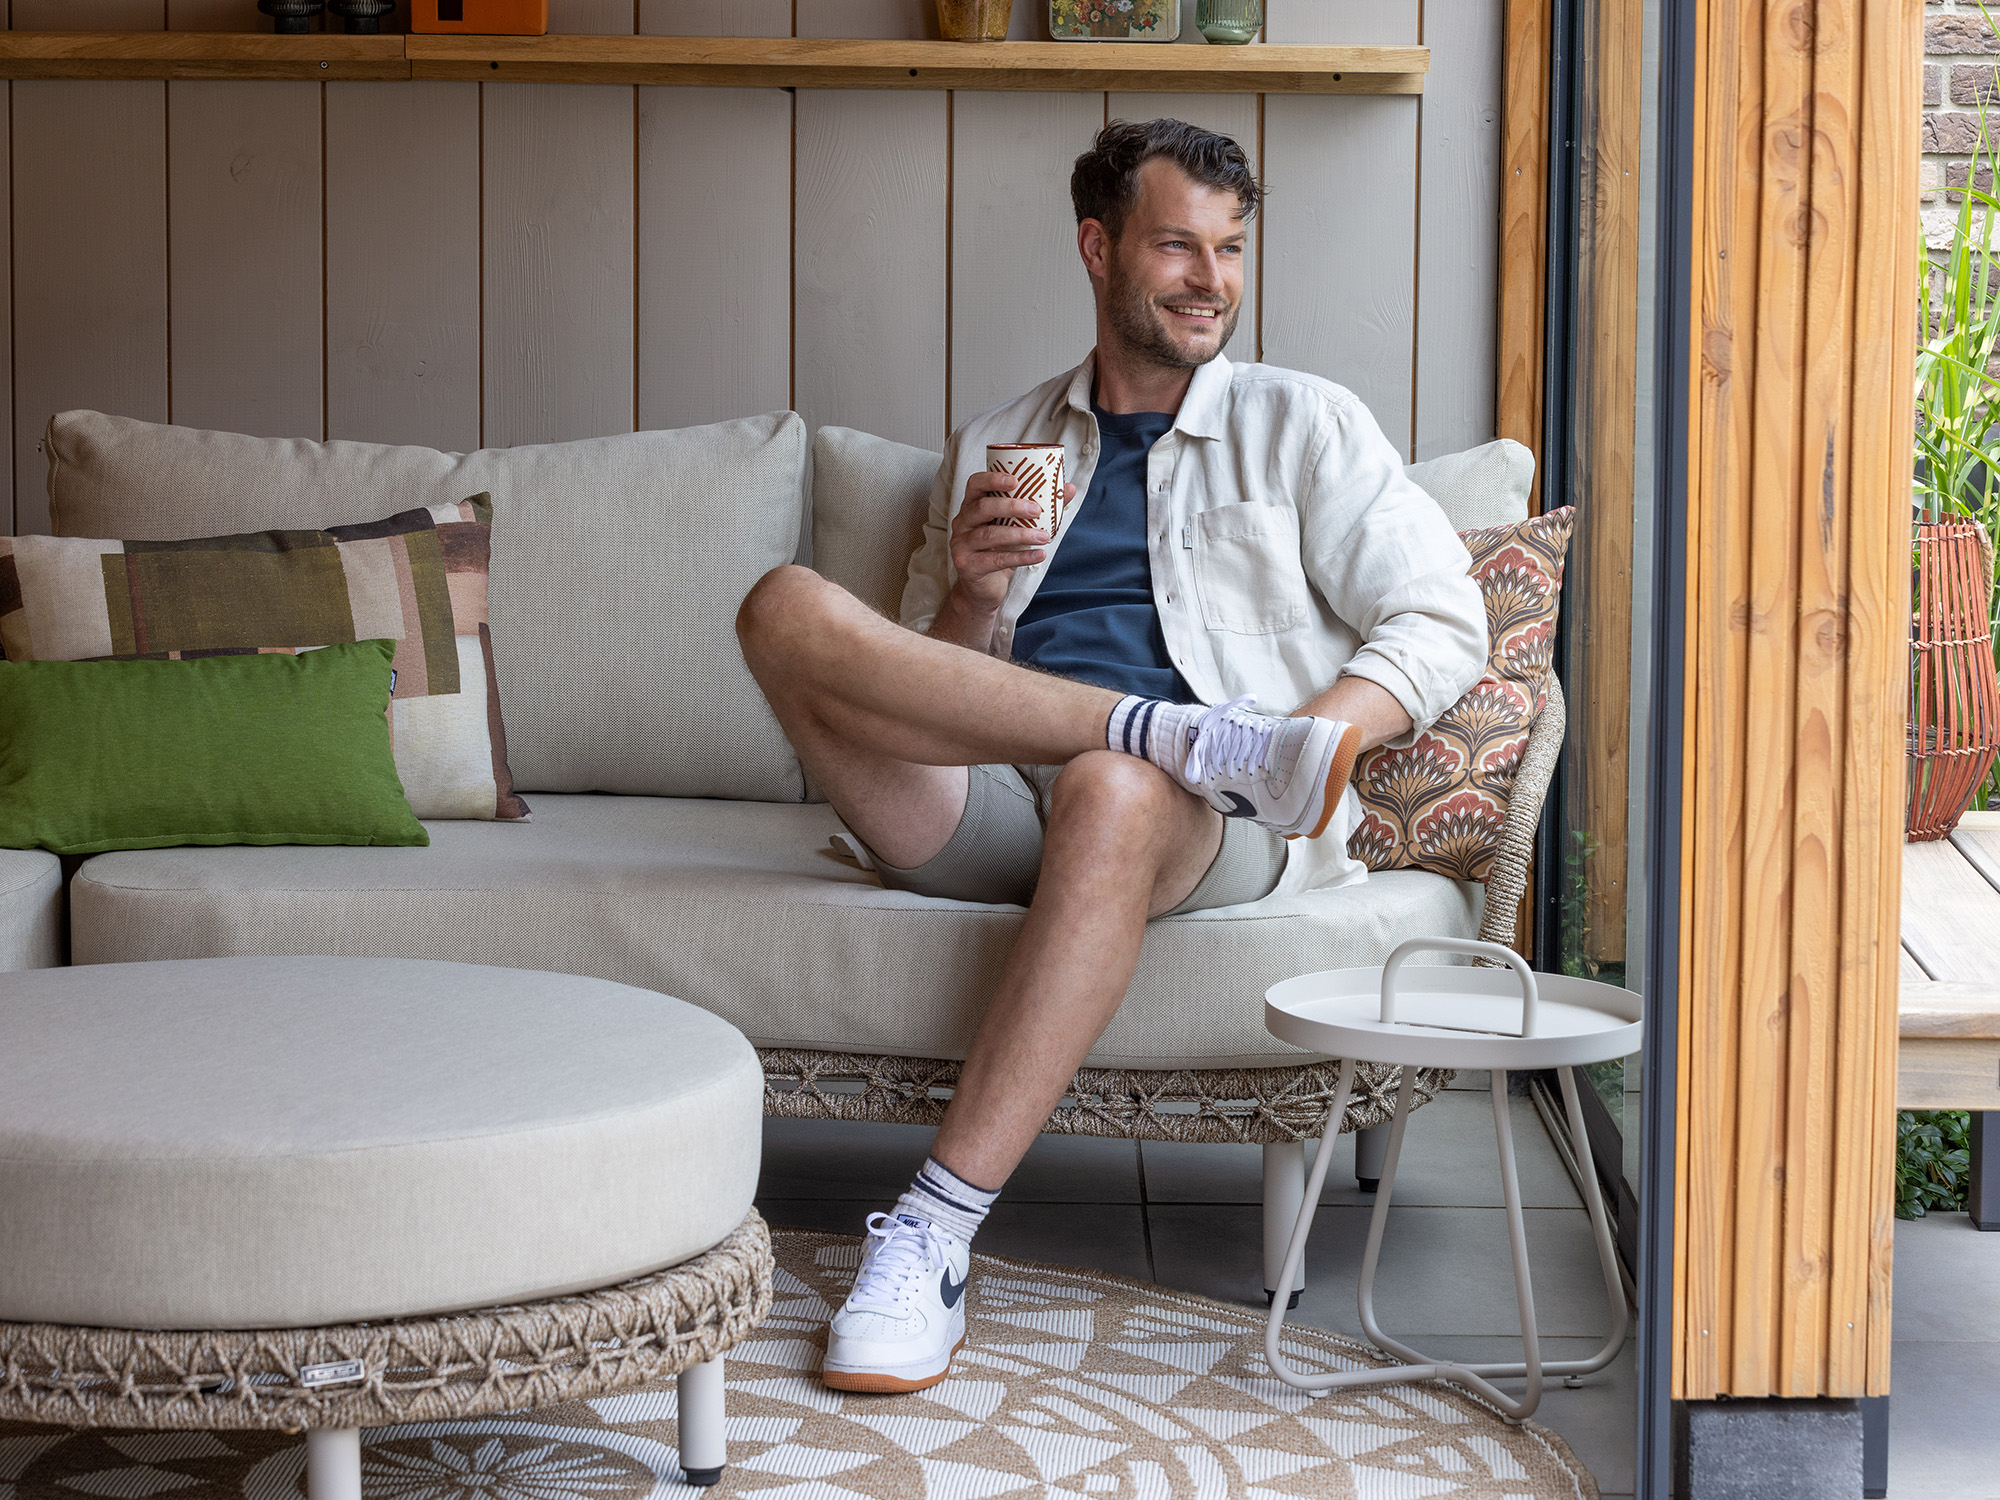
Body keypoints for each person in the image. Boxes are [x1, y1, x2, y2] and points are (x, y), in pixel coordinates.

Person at [735, 117, 1489, 1394]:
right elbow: (912, 697)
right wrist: (969, 594)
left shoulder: (1301, 425)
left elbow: (1440, 616)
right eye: (1177, 247)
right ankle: (1146, 725)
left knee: (1116, 784)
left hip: (1205, 811)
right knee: (780, 607)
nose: (1211, 280)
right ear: (1097, 248)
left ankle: (932, 1232)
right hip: (996, 797)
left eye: (1230, 249)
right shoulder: (1001, 441)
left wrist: (1310, 740)